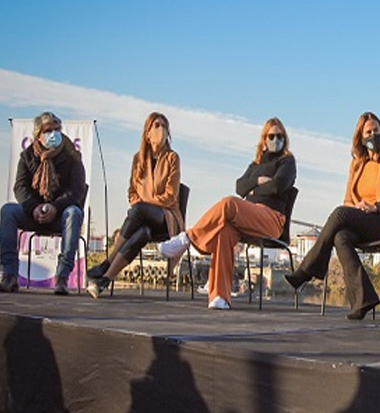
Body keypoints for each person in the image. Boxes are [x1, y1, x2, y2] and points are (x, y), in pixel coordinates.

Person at [158, 117, 296, 309]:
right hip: (247, 216)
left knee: (229, 203)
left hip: (271, 219)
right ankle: (220, 297)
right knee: (224, 232)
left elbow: (278, 185)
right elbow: (240, 186)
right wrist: (258, 182)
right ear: (264, 139)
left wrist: (255, 190)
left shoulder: (287, 161)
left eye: (279, 136)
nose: (276, 140)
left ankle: (187, 238)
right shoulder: (255, 165)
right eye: (271, 136)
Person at [284, 112, 380, 320]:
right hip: (361, 219)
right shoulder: (357, 164)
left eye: (376, 130)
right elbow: (348, 201)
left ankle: (307, 269)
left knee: (340, 214)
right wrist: (358, 207)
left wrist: (377, 206)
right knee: (340, 237)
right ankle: (363, 300)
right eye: (368, 132)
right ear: (361, 137)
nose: (373, 134)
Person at [87, 112, 183, 297]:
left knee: (138, 210)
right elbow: (132, 192)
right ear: (147, 133)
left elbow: (170, 197)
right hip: (143, 220)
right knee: (142, 233)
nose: (161, 129)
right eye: (156, 125)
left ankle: (107, 262)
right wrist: (139, 204)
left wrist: (144, 204)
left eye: (164, 126)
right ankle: (104, 280)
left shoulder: (172, 158)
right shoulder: (138, 159)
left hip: (166, 217)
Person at [0, 112, 86, 295]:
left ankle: (62, 277)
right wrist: (33, 208)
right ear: (38, 134)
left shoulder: (73, 156)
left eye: (57, 130)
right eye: (48, 130)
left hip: (61, 213)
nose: (54, 134)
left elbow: (76, 190)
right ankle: (9, 275)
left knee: (74, 213)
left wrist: (55, 207)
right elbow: (20, 187)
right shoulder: (27, 156)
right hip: (34, 213)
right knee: (8, 211)